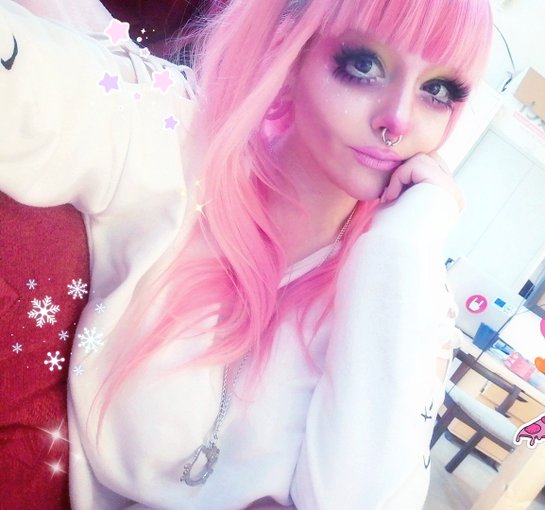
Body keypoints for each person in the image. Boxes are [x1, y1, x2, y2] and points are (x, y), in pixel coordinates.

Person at [0, 0, 493, 508]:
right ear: (290, 51)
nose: (398, 121)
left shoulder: (405, 284)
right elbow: (32, 85)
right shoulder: (179, 143)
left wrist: (395, 252)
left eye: (437, 91)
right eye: (364, 65)